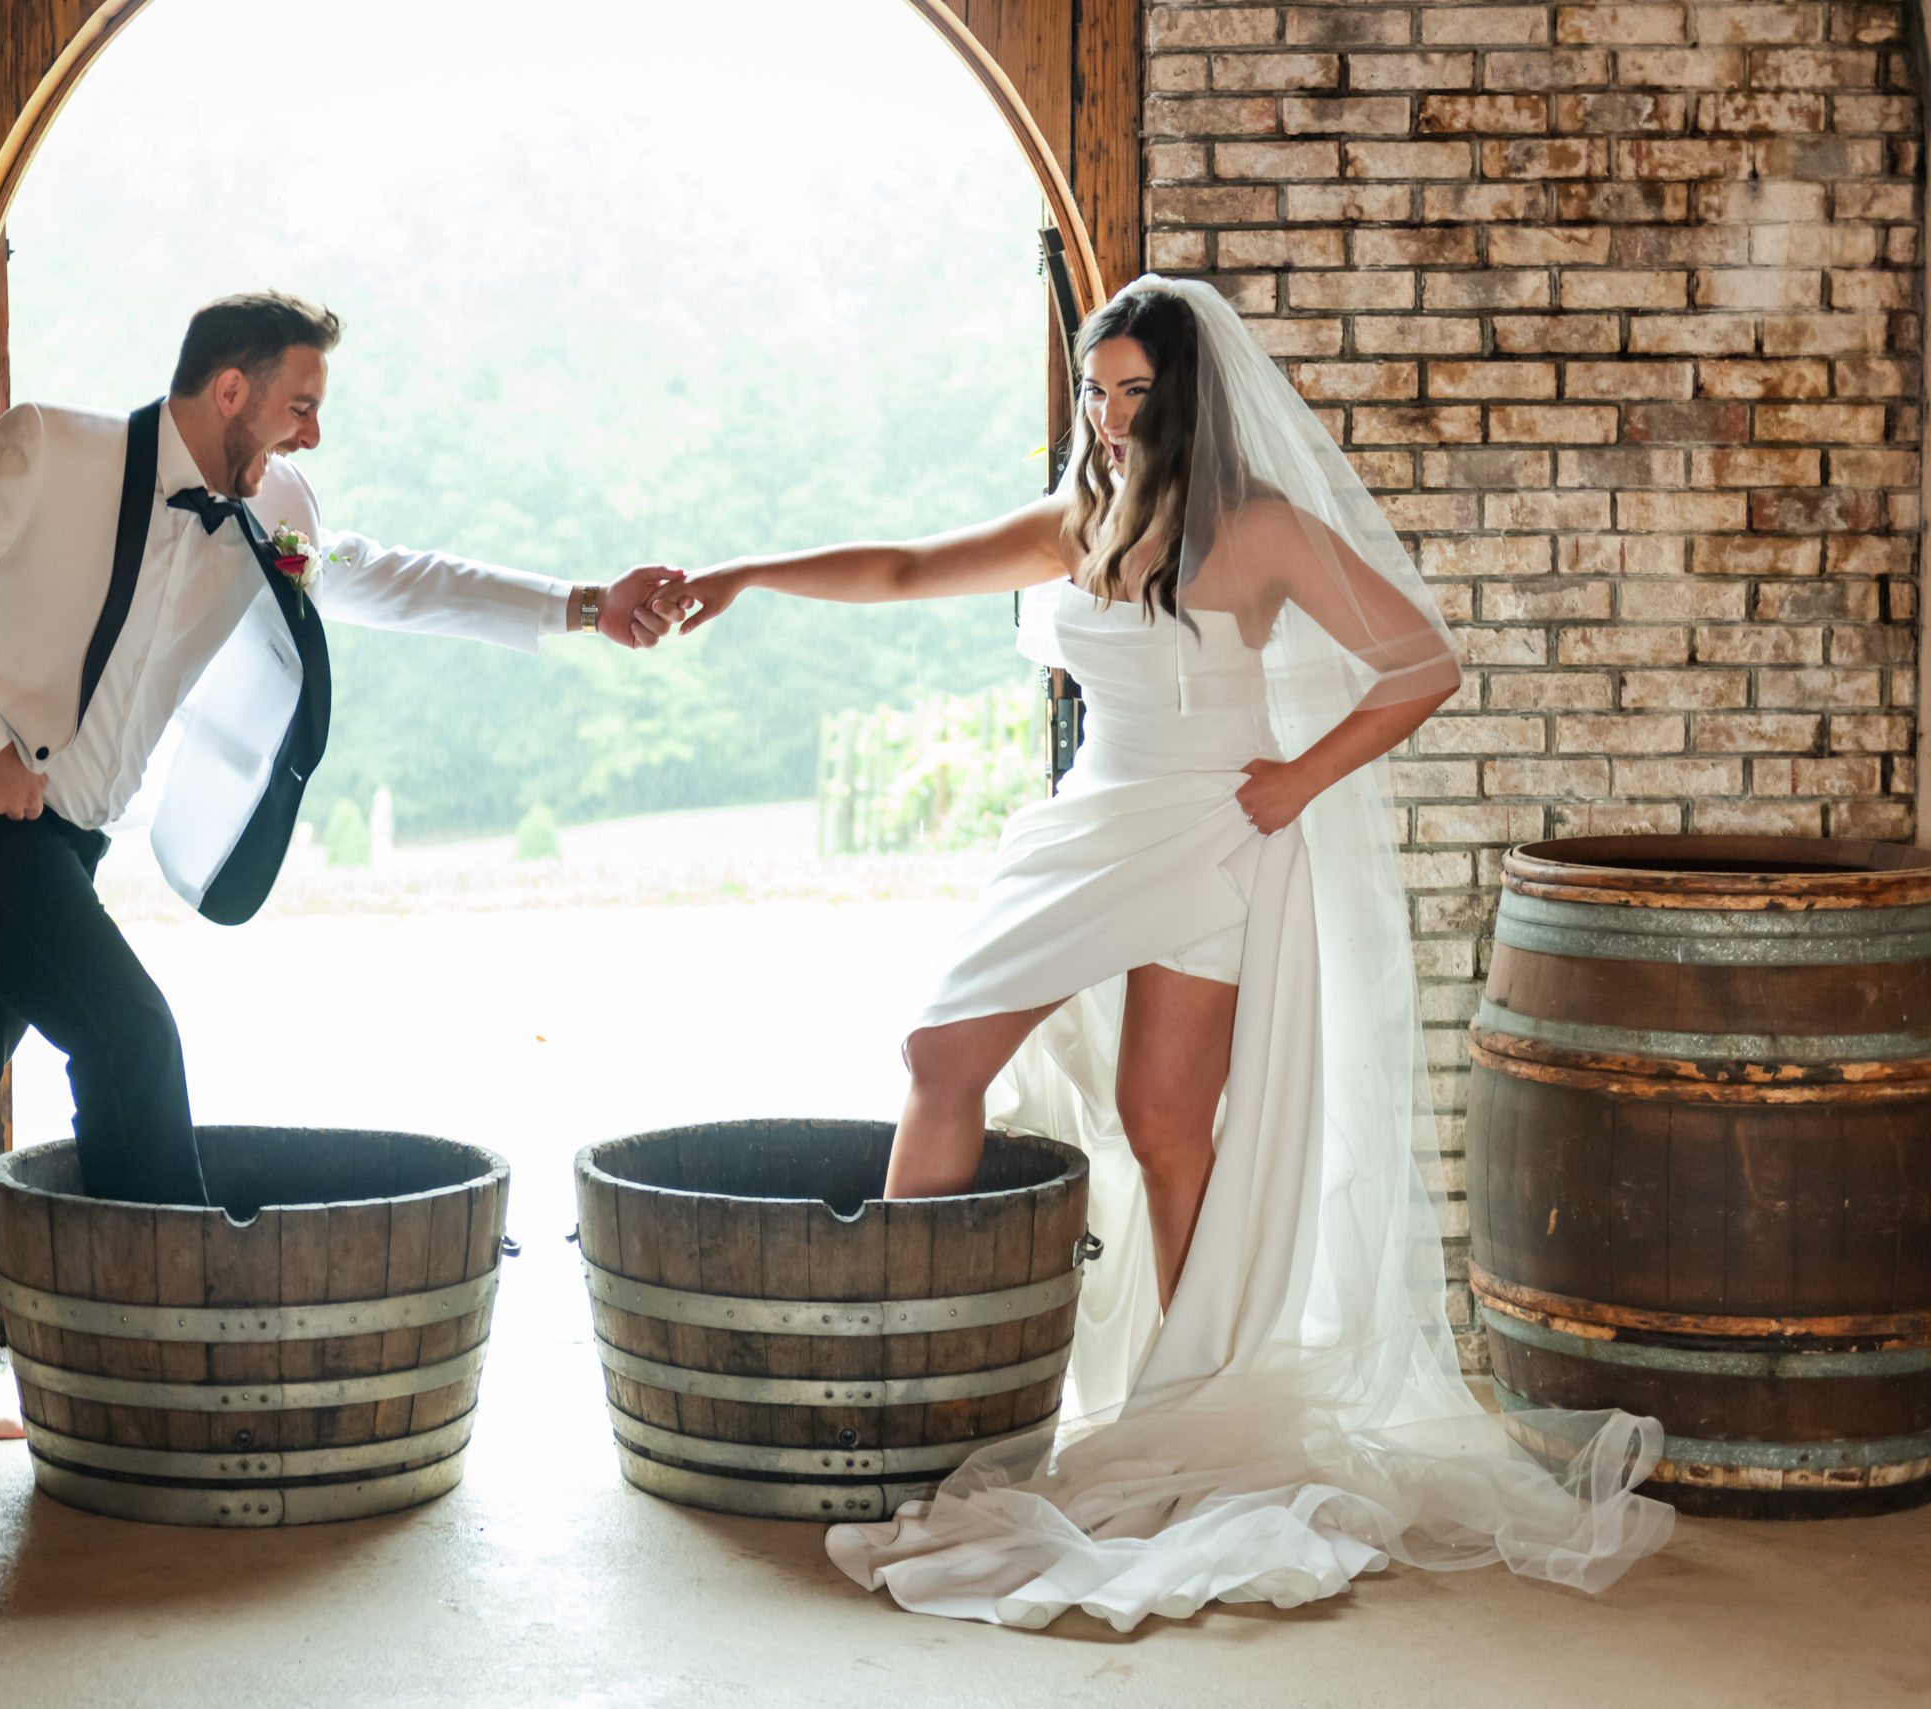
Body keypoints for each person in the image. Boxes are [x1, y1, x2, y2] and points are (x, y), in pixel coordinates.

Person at [660, 277, 1670, 1630]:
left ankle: (1192, 1402)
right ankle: (895, 1362)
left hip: (1214, 832)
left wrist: (1295, 782)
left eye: (1136, 391)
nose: (1110, 414)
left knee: (1164, 1124)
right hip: (1094, 823)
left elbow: (1422, 662)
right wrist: (743, 574)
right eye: (1094, 388)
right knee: (941, 1053)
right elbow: (903, 568)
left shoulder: (1256, 530)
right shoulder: (1077, 521)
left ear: (1186, 398)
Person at [0, 291, 682, 1442]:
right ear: (228, 389)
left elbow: (389, 577)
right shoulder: (50, 446)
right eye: (301, 404)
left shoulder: (271, 504)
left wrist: (583, 605)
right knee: (130, 1035)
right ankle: (182, 1364)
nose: (313, 434)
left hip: (65, 835)